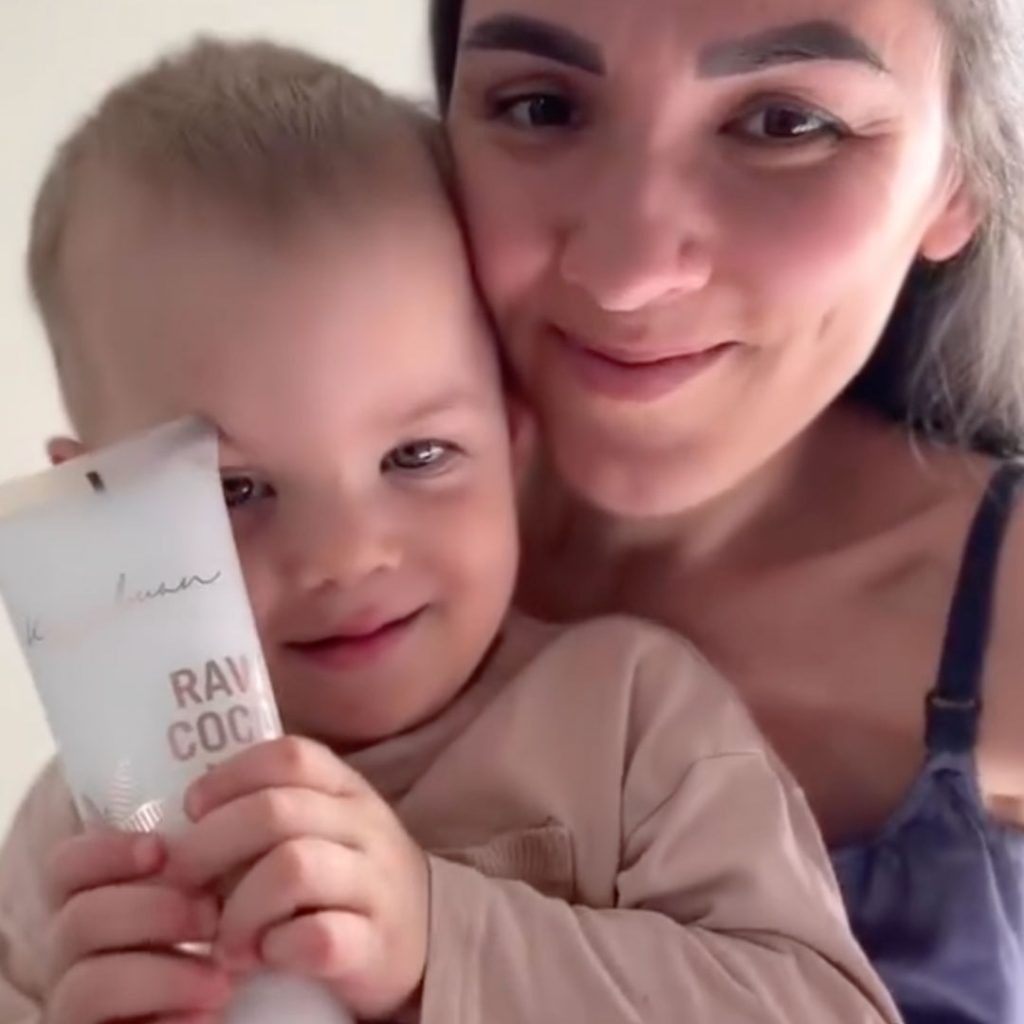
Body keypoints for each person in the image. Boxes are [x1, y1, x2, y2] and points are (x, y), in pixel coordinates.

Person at [0, 39, 899, 1024]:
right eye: (237, 489)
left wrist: (439, 938)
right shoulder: (84, 829)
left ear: (513, 439)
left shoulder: (625, 718)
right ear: (100, 506)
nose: (346, 556)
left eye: (418, 457)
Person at [429, 0, 1024, 1021]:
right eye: (539, 106)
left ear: (957, 177)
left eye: (786, 123)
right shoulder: (280, 540)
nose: (624, 272)